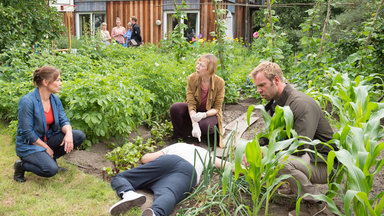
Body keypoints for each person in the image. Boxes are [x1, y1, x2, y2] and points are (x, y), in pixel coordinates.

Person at [249, 61, 336, 216]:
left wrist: (266, 152)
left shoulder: (300, 104)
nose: (258, 90)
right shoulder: (278, 102)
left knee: (280, 161)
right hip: (309, 158)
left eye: (262, 85)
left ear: (276, 80)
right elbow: (272, 136)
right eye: (257, 86)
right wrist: (255, 148)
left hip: (326, 164)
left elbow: (299, 146)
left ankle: (315, 203)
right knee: (270, 155)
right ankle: (294, 186)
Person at [109, 143, 230, 216]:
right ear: (195, 146)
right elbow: (229, 166)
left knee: (121, 177)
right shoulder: (205, 153)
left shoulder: (177, 145)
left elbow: (145, 159)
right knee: (168, 194)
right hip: (187, 171)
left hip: (168, 160)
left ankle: (128, 193)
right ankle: (155, 213)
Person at [13, 65, 85, 183]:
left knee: (78, 136)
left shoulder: (55, 100)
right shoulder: (27, 102)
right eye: (57, 80)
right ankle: (21, 165)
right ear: (45, 82)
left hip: (47, 139)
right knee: (50, 170)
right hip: (30, 145)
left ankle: (49, 159)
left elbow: (64, 120)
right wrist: (46, 148)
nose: (60, 83)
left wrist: (69, 133)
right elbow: (27, 133)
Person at [170, 54, 225, 147]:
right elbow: (190, 102)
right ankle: (180, 137)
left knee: (206, 126)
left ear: (210, 69)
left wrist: (204, 115)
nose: (197, 67)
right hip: (195, 111)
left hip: (209, 113)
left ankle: (209, 134)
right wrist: (194, 123)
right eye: (198, 63)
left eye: (201, 65)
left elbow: (217, 108)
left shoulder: (219, 82)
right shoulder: (192, 78)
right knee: (175, 108)